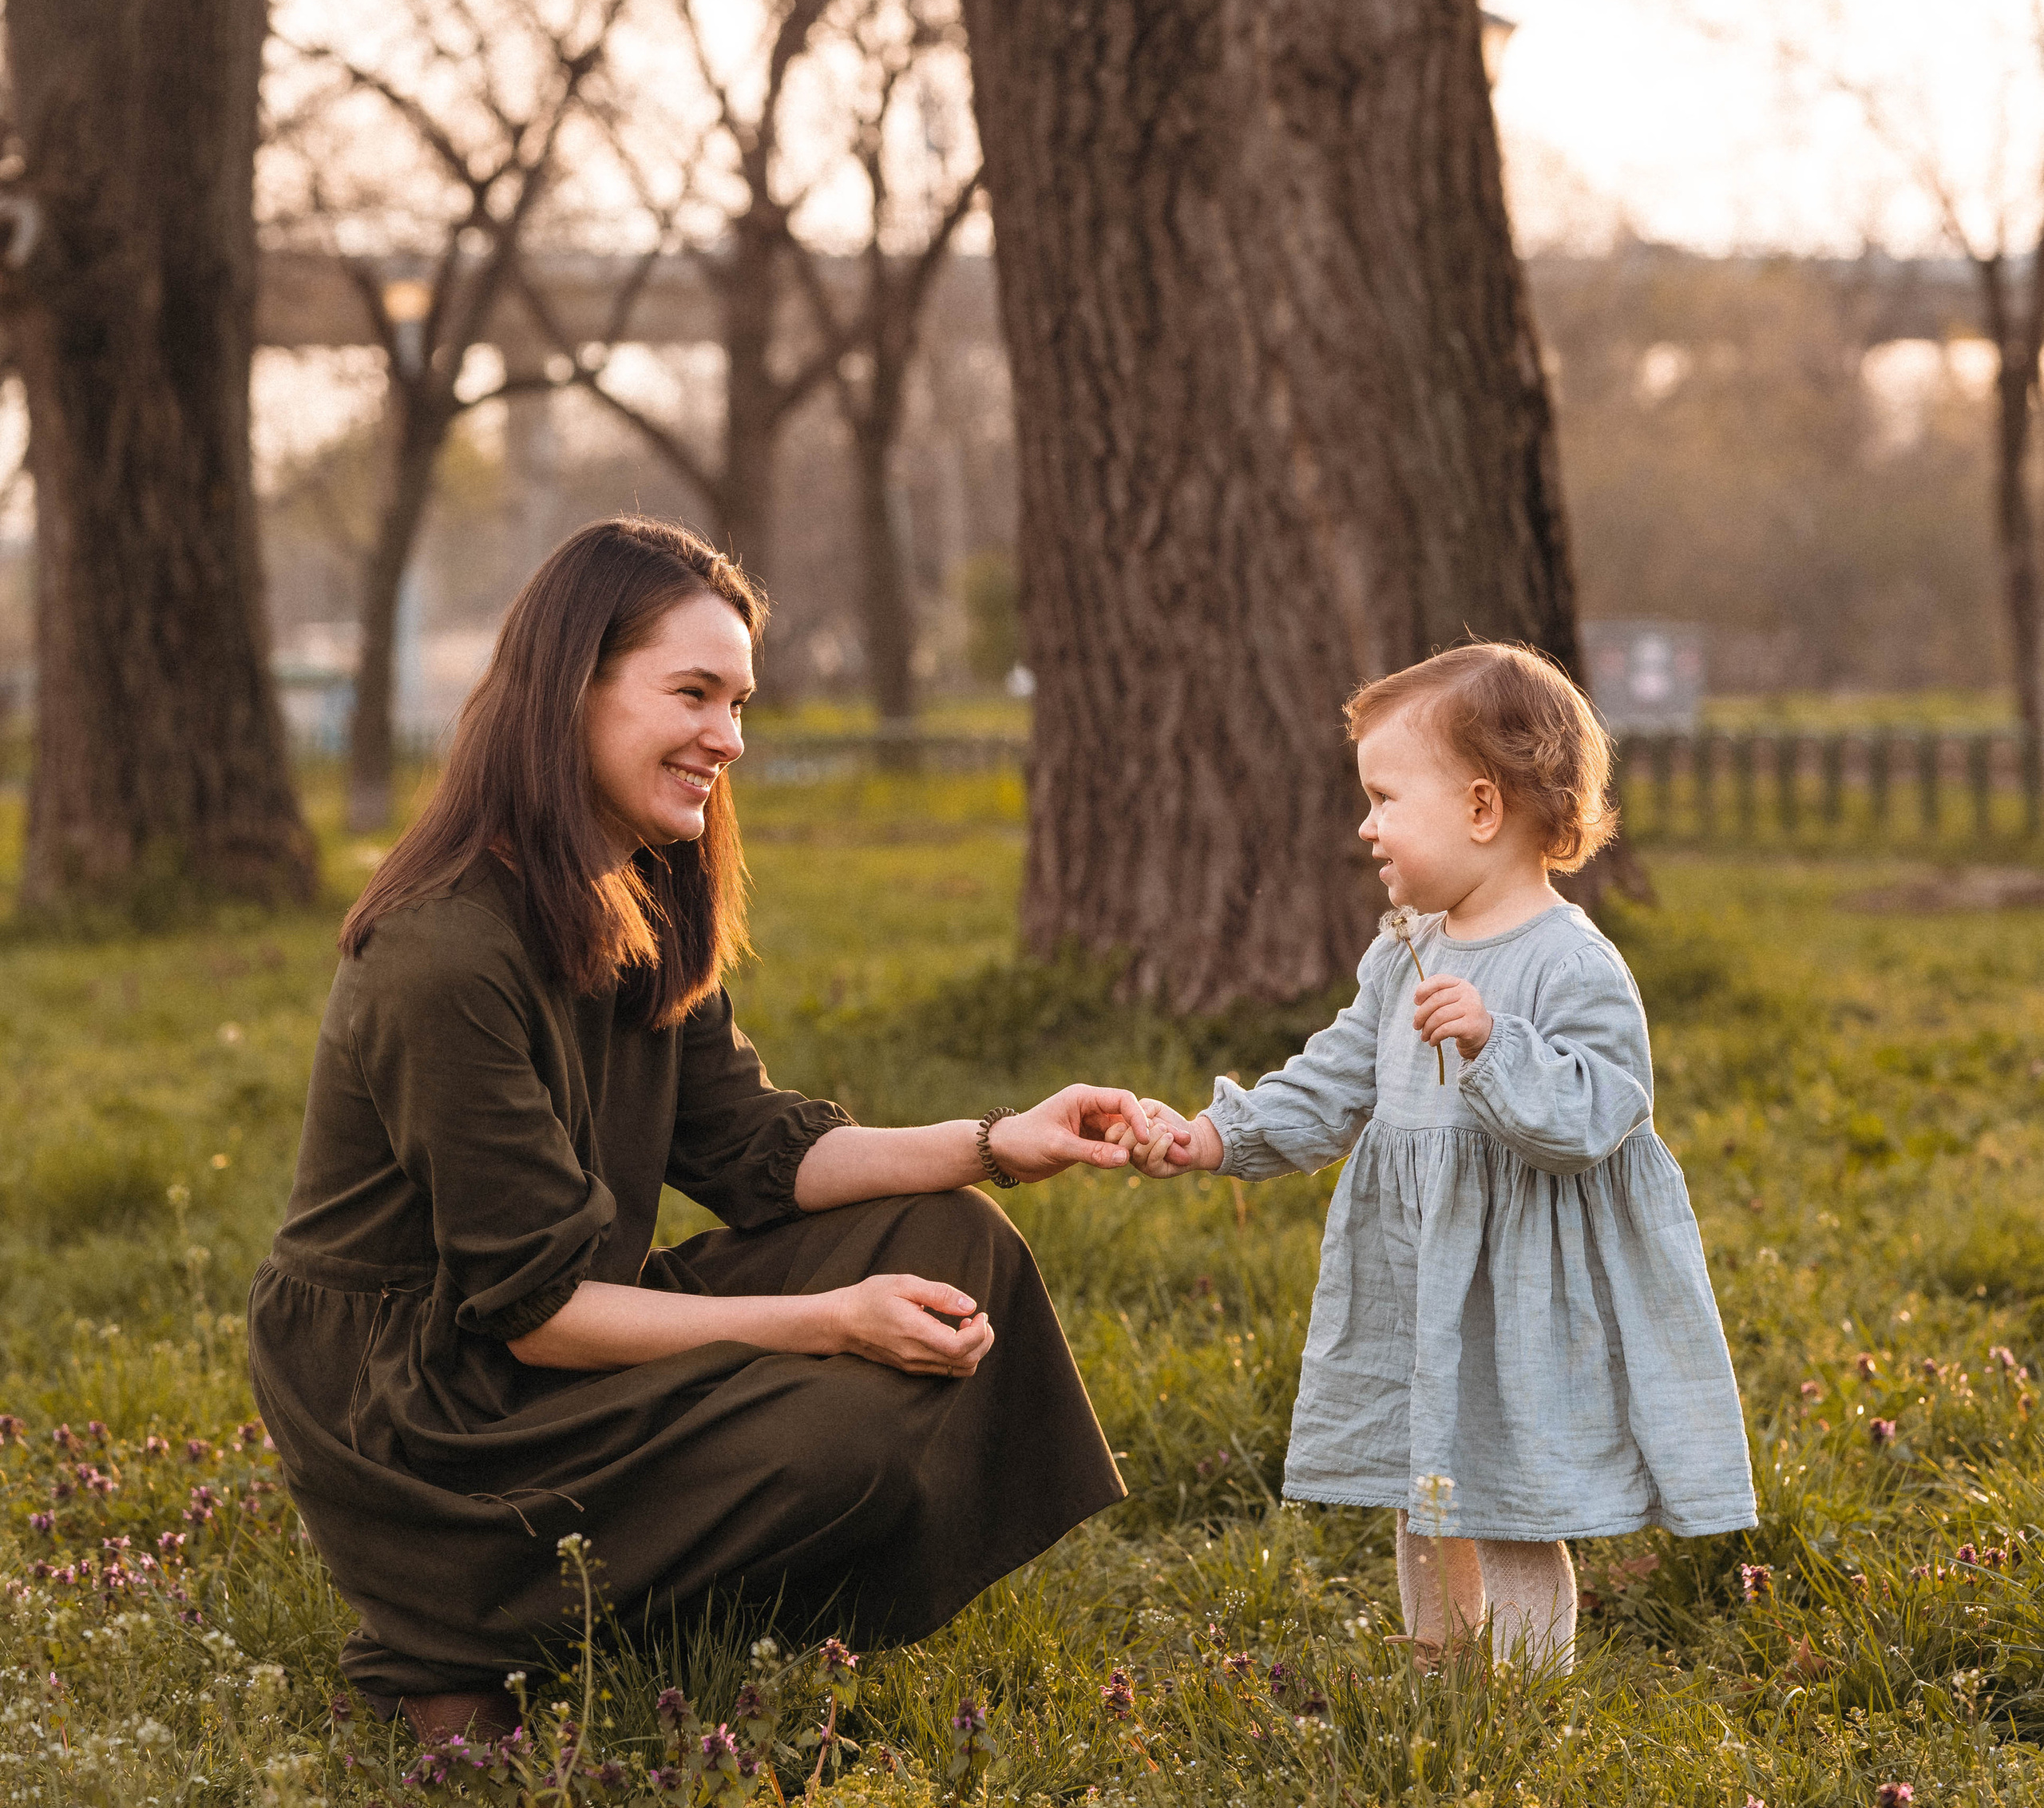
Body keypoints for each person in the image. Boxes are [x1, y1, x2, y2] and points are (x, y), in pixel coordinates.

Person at [248, 517, 1154, 1746]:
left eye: (739, 702)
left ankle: (679, 1624)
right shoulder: (443, 950)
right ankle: (456, 1632)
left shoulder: (638, 885)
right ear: (573, 687)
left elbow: (752, 1149)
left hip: (539, 1335)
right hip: (425, 1405)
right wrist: (824, 1324)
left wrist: (1000, 1140)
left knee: (957, 1239)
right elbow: (539, 1309)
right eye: (694, 694)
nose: (727, 739)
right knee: (843, 1424)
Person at [1119, 641, 1755, 1671]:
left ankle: (1520, 1686)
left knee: (1500, 1483)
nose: (1366, 825)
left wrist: (1497, 1043)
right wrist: (1215, 1136)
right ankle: (1440, 1654)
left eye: (1384, 798)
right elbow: (1337, 1078)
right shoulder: (1406, 945)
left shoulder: (1572, 960)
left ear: (1479, 809)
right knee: (1431, 1472)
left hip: (1517, 1285)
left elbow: (1604, 1111)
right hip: (1421, 1269)